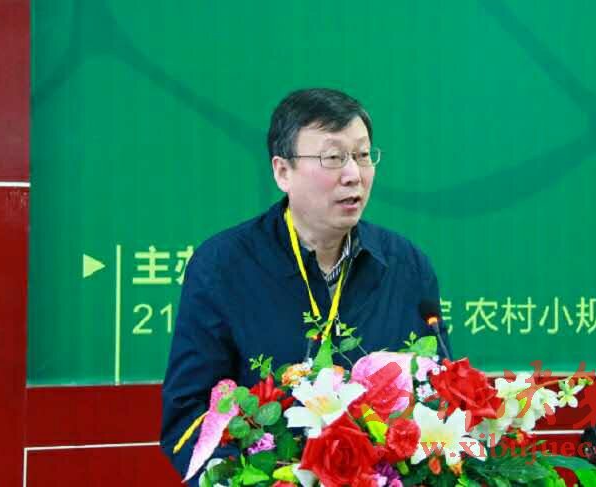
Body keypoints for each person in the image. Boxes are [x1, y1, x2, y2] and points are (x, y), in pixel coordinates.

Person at [160, 88, 449, 483]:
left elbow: (437, 397)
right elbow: (189, 414)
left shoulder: (408, 267)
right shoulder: (221, 268)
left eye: (363, 155)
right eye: (333, 158)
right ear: (283, 171)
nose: (353, 174)